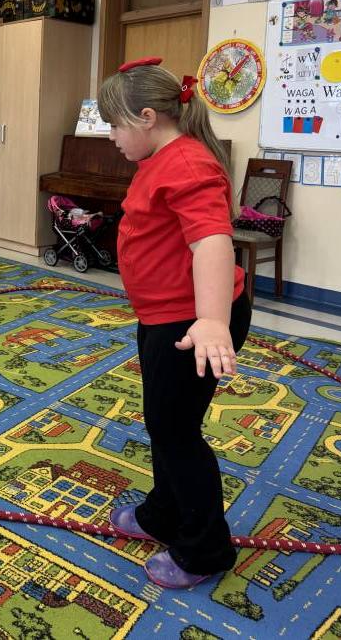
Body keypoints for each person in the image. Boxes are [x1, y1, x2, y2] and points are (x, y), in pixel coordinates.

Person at [97, 56, 250, 590]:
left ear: (146, 117)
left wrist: (211, 321)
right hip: (165, 317)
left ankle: (204, 549)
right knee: (163, 422)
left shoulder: (186, 162)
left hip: (191, 324)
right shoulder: (160, 159)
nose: (111, 136)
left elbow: (213, 242)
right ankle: (163, 512)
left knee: (178, 433)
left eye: (114, 125)